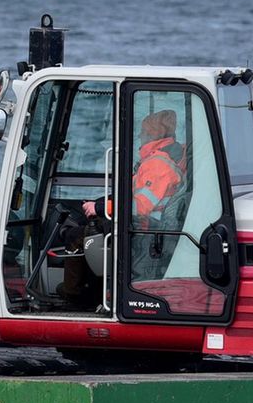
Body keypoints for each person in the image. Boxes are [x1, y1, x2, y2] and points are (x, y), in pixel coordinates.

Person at [57, 110, 185, 307]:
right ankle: (91, 290)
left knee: (75, 236)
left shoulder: (157, 165)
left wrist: (101, 207)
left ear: (153, 134)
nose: (140, 136)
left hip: (141, 230)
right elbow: (130, 194)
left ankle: (74, 295)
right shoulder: (159, 159)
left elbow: (139, 207)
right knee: (86, 222)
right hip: (143, 226)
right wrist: (100, 203)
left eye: (143, 132)